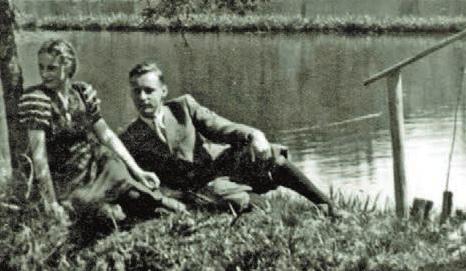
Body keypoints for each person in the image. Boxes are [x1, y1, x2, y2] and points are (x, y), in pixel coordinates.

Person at [120, 61, 337, 217]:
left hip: (220, 164)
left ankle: (328, 206)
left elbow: (221, 127)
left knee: (275, 159)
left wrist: (254, 135)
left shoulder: (183, 107)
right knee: (248, 204)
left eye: (149, 90)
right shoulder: (129, 137)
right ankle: (257, 207)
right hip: (197, 189)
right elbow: (135, 181)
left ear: (163, 91)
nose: (142, 97)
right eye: (136, 91)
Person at [19, 39, 185, 228]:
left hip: (96, 167)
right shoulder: (37, 100)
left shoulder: (81, 93)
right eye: (41, 67)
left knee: (135, 195)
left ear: (68, 66)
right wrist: (51, 202)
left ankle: (171, 208)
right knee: (102, 216)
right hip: (65, 181)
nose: (44, 74)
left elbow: (107, 136)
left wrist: (138, 171)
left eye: (52, 68)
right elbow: (39, 157)